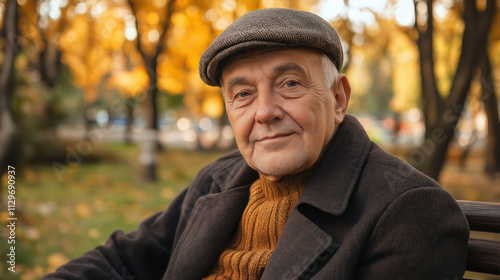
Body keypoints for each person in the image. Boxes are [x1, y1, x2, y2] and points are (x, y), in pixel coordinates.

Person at [43, 8, 469, 280]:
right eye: (243, 93)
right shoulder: (220, 179)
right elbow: (122, 261)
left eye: (289, 83)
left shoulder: (410, 211)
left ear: (338, 98)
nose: (264, 111)